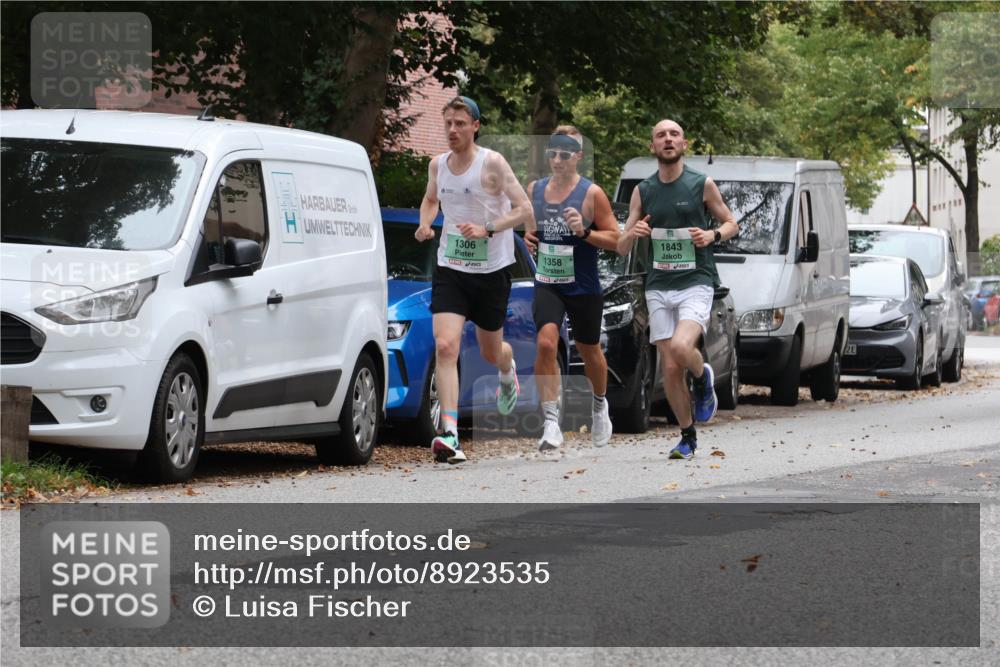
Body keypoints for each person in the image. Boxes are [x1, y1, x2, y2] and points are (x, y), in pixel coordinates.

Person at [415, 96, 534, 464]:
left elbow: (524, 210)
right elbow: (431, 199)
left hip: (491, 270)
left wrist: (487, 228)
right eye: (448, 123)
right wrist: (424, 223)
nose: (453, 129)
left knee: (489, 349)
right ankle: (449, 433)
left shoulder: (492, 163)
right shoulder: (438, 165)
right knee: (446, 346)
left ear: (475, 126)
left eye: (460, 123)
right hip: (451, 267)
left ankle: (506, 368)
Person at [617, 119, 739, 460]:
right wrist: (635, 231)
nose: (668, 139)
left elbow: (732, 223)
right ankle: (687, 436)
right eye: (661, 135)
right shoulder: (643, 191)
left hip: (695, 281)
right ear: (652, 146)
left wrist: (712, 235)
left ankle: (702, 377)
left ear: (684, 144)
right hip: (658, 286)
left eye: (674, 135)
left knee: (683, 347)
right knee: (670, 367)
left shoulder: (702, 184)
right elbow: (621, 247)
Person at [525, 127, 620, 451]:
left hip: (583, 285)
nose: (557, 160)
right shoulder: (535, 190)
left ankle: (599, 405)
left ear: (578, 156)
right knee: (546, 343)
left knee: (589, 348)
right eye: (552, 153)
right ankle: (551, 422)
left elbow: (617, 239)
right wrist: (526, 237)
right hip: (549, 282)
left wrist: (584, 232)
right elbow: (527, 229)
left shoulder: (592, 194)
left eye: (564, 154)